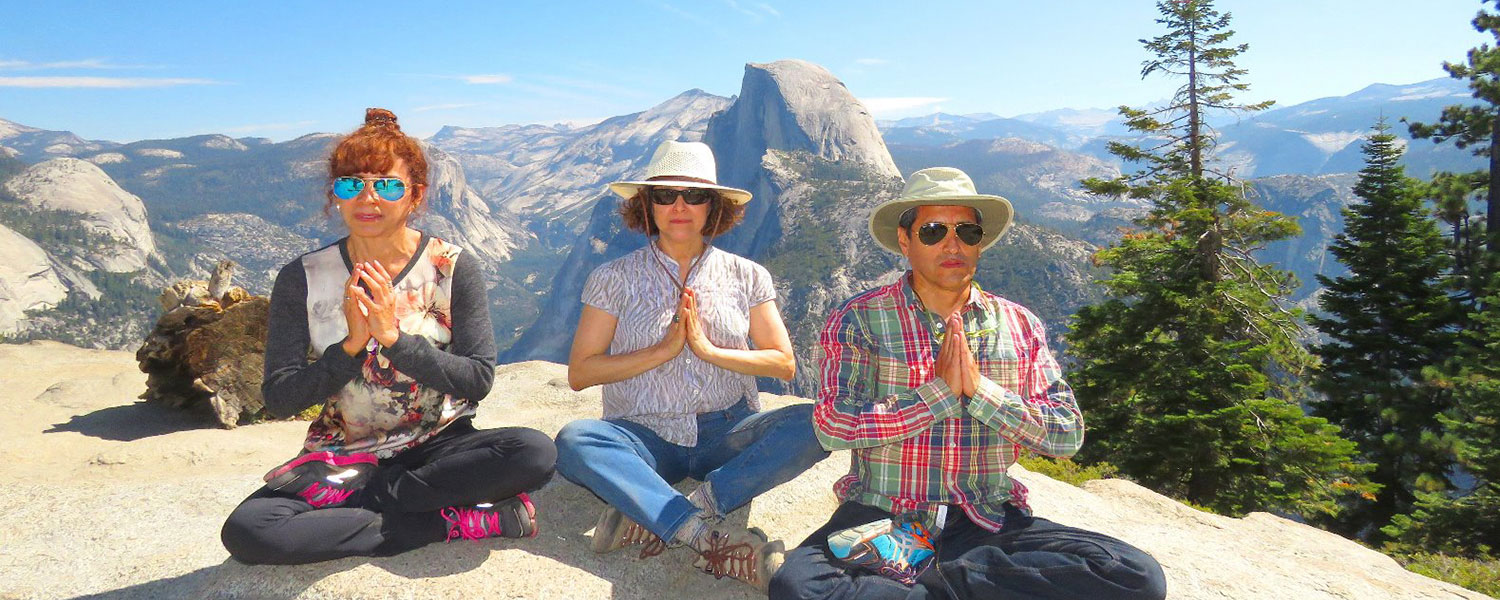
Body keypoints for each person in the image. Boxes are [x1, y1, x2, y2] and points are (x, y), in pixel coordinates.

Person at [769, 167, 1167, 600]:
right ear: (905, 241)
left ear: (981, 241)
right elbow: (833, 424)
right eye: (934, 230)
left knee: (1134, 575)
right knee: (799, 588)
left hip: (988, 520)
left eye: (968, 231)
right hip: (884, 519)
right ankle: (953, 582)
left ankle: (927, 580)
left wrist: (981, 392)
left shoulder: (1019, 324)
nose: (952, 243)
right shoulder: (860, 318)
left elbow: (1067, 432)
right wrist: (938, 394)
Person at [220, 108, 556, 565]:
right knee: (249, 533)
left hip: (438, 446)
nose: (368, 197)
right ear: (334, 195)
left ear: (414, 196)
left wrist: (395, 339)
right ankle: (447, 521)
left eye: (387, 184)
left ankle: (371, 501)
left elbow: (477, 379)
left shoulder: (452, 267)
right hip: (342, 456)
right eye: (351, 183)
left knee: (533, 452)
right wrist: (351, 348)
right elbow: (279, 398)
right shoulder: (301, 278)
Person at [555, 140, 830, 591]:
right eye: (665, 195)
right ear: (647, 205)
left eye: (694, 195)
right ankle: (700, 533)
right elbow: (581, 372)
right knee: (576, 440)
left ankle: (671, 510)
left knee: (819, 421)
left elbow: (783, 362)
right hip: (643, 436)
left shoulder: (747, 275)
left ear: (713, 206)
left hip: (726, 431)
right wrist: (661, 351)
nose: (679, 206)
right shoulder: (612, 278)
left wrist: (708, 350)